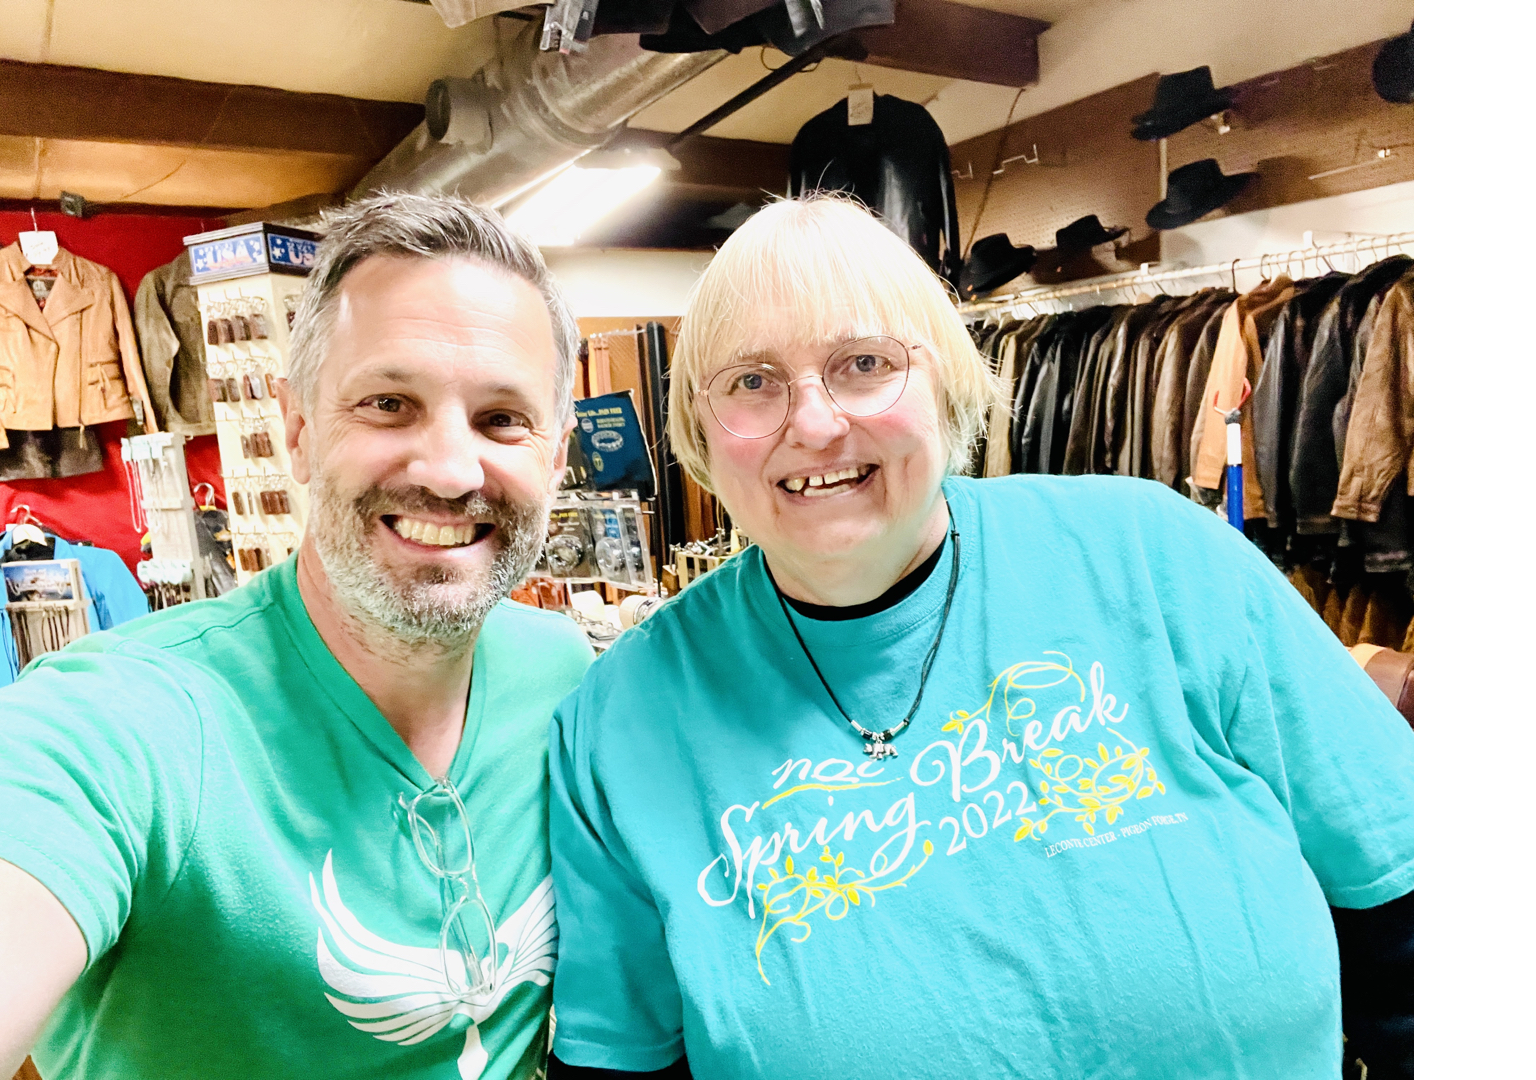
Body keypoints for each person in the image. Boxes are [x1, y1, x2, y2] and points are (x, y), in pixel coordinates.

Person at [545, 195, 1414, 1080]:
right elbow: (621, 1061)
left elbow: (1409, 931)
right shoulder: (621, 722)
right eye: (751, 382)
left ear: (946, 381)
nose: (813, 425)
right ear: (700, 429)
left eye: (864, 363)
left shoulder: (1157, 558)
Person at [0, 192, 596, 1080]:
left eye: (502, 419)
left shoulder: (561, 672)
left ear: (557, 453)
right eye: (389, 403)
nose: (451, 471)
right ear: (297, 430)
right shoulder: (138, 721)